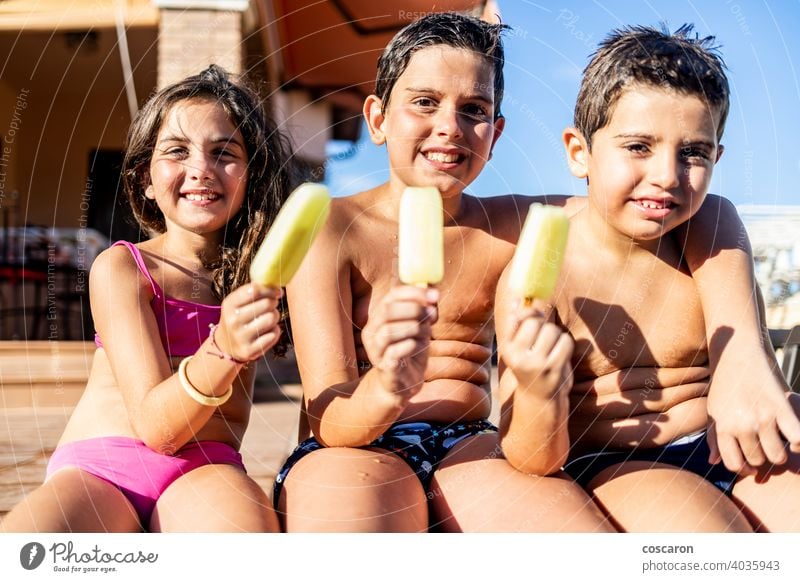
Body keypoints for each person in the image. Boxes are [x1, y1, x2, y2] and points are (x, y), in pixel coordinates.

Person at [274, 11, 613, 533]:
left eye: (473, 109)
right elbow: (327, 415)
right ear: (379, 119)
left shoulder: (516, 225)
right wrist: (386, 385)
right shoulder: (333, 228)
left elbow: (640, 203)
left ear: (495, 134)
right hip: (351, 441)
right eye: (424, 102)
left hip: (471, 444)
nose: (450, 128)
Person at [498, 25, 800, 532]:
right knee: (709, 539)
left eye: (693, 153)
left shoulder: (712, 232)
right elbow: (533, 458)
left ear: (716, 159)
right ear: (579, 153)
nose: (667, 175)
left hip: (733, 439)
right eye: (638, 146)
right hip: (621, 463)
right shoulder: (543, 274)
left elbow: (748, 361)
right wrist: (536, 390)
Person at [0, 65, 295, 533]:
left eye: (224, 152)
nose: (201, 168)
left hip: (206, 470)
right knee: (26, 553)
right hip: (102, 467)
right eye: (177, 151)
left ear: (252, 177)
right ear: (145, 180)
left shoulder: (262, 277)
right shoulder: (122, 269)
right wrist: (226, 349)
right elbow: (158, 428)